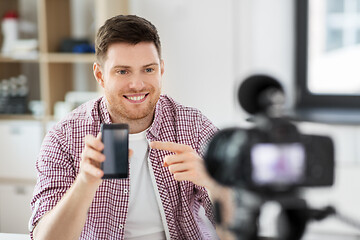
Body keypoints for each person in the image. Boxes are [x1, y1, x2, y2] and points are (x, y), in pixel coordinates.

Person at [29, 15, 220, 239]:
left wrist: (212, 182)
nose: (137, 84)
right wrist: (84, 183)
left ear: (161, 70)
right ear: (100, 75)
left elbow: (239, 229)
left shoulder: (193, 126)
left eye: (148, 69)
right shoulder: (65, 137)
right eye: (122, 71)